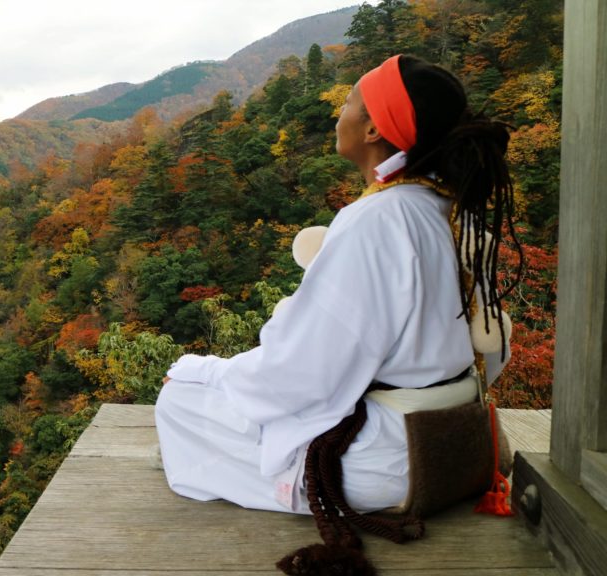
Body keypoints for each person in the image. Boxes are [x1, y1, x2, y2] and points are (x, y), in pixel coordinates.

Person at [154, 54, 519, 523]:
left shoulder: (377, 219)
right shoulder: (449, 208)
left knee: (179, 399)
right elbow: (488, 348)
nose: (337, 113)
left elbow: (301, 373)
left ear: (372, 130)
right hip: (450, 446)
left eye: (348, 101)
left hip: (384, 462)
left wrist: (203, 371)